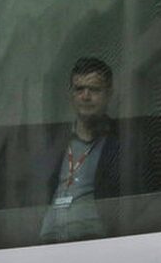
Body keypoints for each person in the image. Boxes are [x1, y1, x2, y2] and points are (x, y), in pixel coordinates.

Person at [38, 57, 124, 242]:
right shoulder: (54, 142)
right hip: (48, 241)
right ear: (71, 95)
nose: (85, 96)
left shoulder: (122, 141)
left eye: (94, 89)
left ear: (109, 94)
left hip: (95, 242)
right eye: (79, 89)